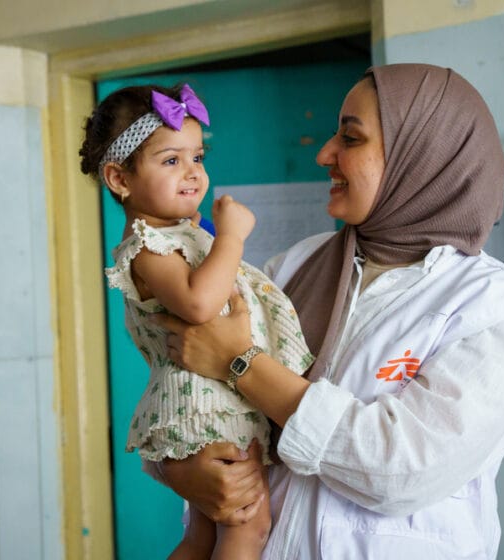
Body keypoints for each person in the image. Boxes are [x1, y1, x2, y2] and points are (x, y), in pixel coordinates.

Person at [153, 64, 504, 559]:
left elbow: (400, 470)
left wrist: (240, 362)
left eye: (350, 138)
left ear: (422, 156)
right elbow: (187, 396)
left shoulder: (498, 313)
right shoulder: (293, 267)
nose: (324, 154)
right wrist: (180, 470)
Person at [78, 83, 314, 559]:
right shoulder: (148, 247)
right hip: (204, 402)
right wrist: (231, 237)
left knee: (202, 537)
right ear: (119, 179)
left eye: (198, 157)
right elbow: (200, 304)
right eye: (171, 160)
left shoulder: (178, 236)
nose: (192, 173)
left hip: (212, 395)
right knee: (248, 524)